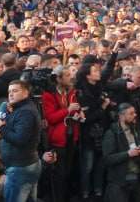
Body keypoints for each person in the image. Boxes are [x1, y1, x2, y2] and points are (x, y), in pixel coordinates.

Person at [75, 40, 121, 200]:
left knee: (101, 164)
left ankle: (98, 189)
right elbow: (86, 118)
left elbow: (108, 70)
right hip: (88, 135)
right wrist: (103, 107)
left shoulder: (99, 84)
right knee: (87, 166)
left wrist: (114, 53)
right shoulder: (81, 92)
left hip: (104, 131)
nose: (99, 71)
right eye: (95, 70)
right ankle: (85, 192)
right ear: (88, 74)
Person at [0, 80, 42, 202]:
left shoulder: (25, 112)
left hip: (21, 168)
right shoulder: (19, 109)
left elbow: (20, 139)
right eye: (9, 91)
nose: (11, 94)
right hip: (22, 166)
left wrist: (1, 128)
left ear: (26, 93)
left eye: (15, 91)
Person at [102, 103, 140, 202]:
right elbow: (107, 159)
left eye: (135, 112)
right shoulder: (111, 133)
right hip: (120, 180)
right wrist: (127, 154)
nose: (135, 115)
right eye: (131, 113)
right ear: (121, 116)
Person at [42, 66, 81, 202]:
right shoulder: (49, 95)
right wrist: (68, 110)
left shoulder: (70, 92)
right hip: (58, 140)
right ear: (58, 78)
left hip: (71, 137)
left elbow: (73, 110)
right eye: (67, 75)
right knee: (58, 176)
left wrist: (78, 113)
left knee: (67, 173)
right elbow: (51, 118)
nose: (71, 77)